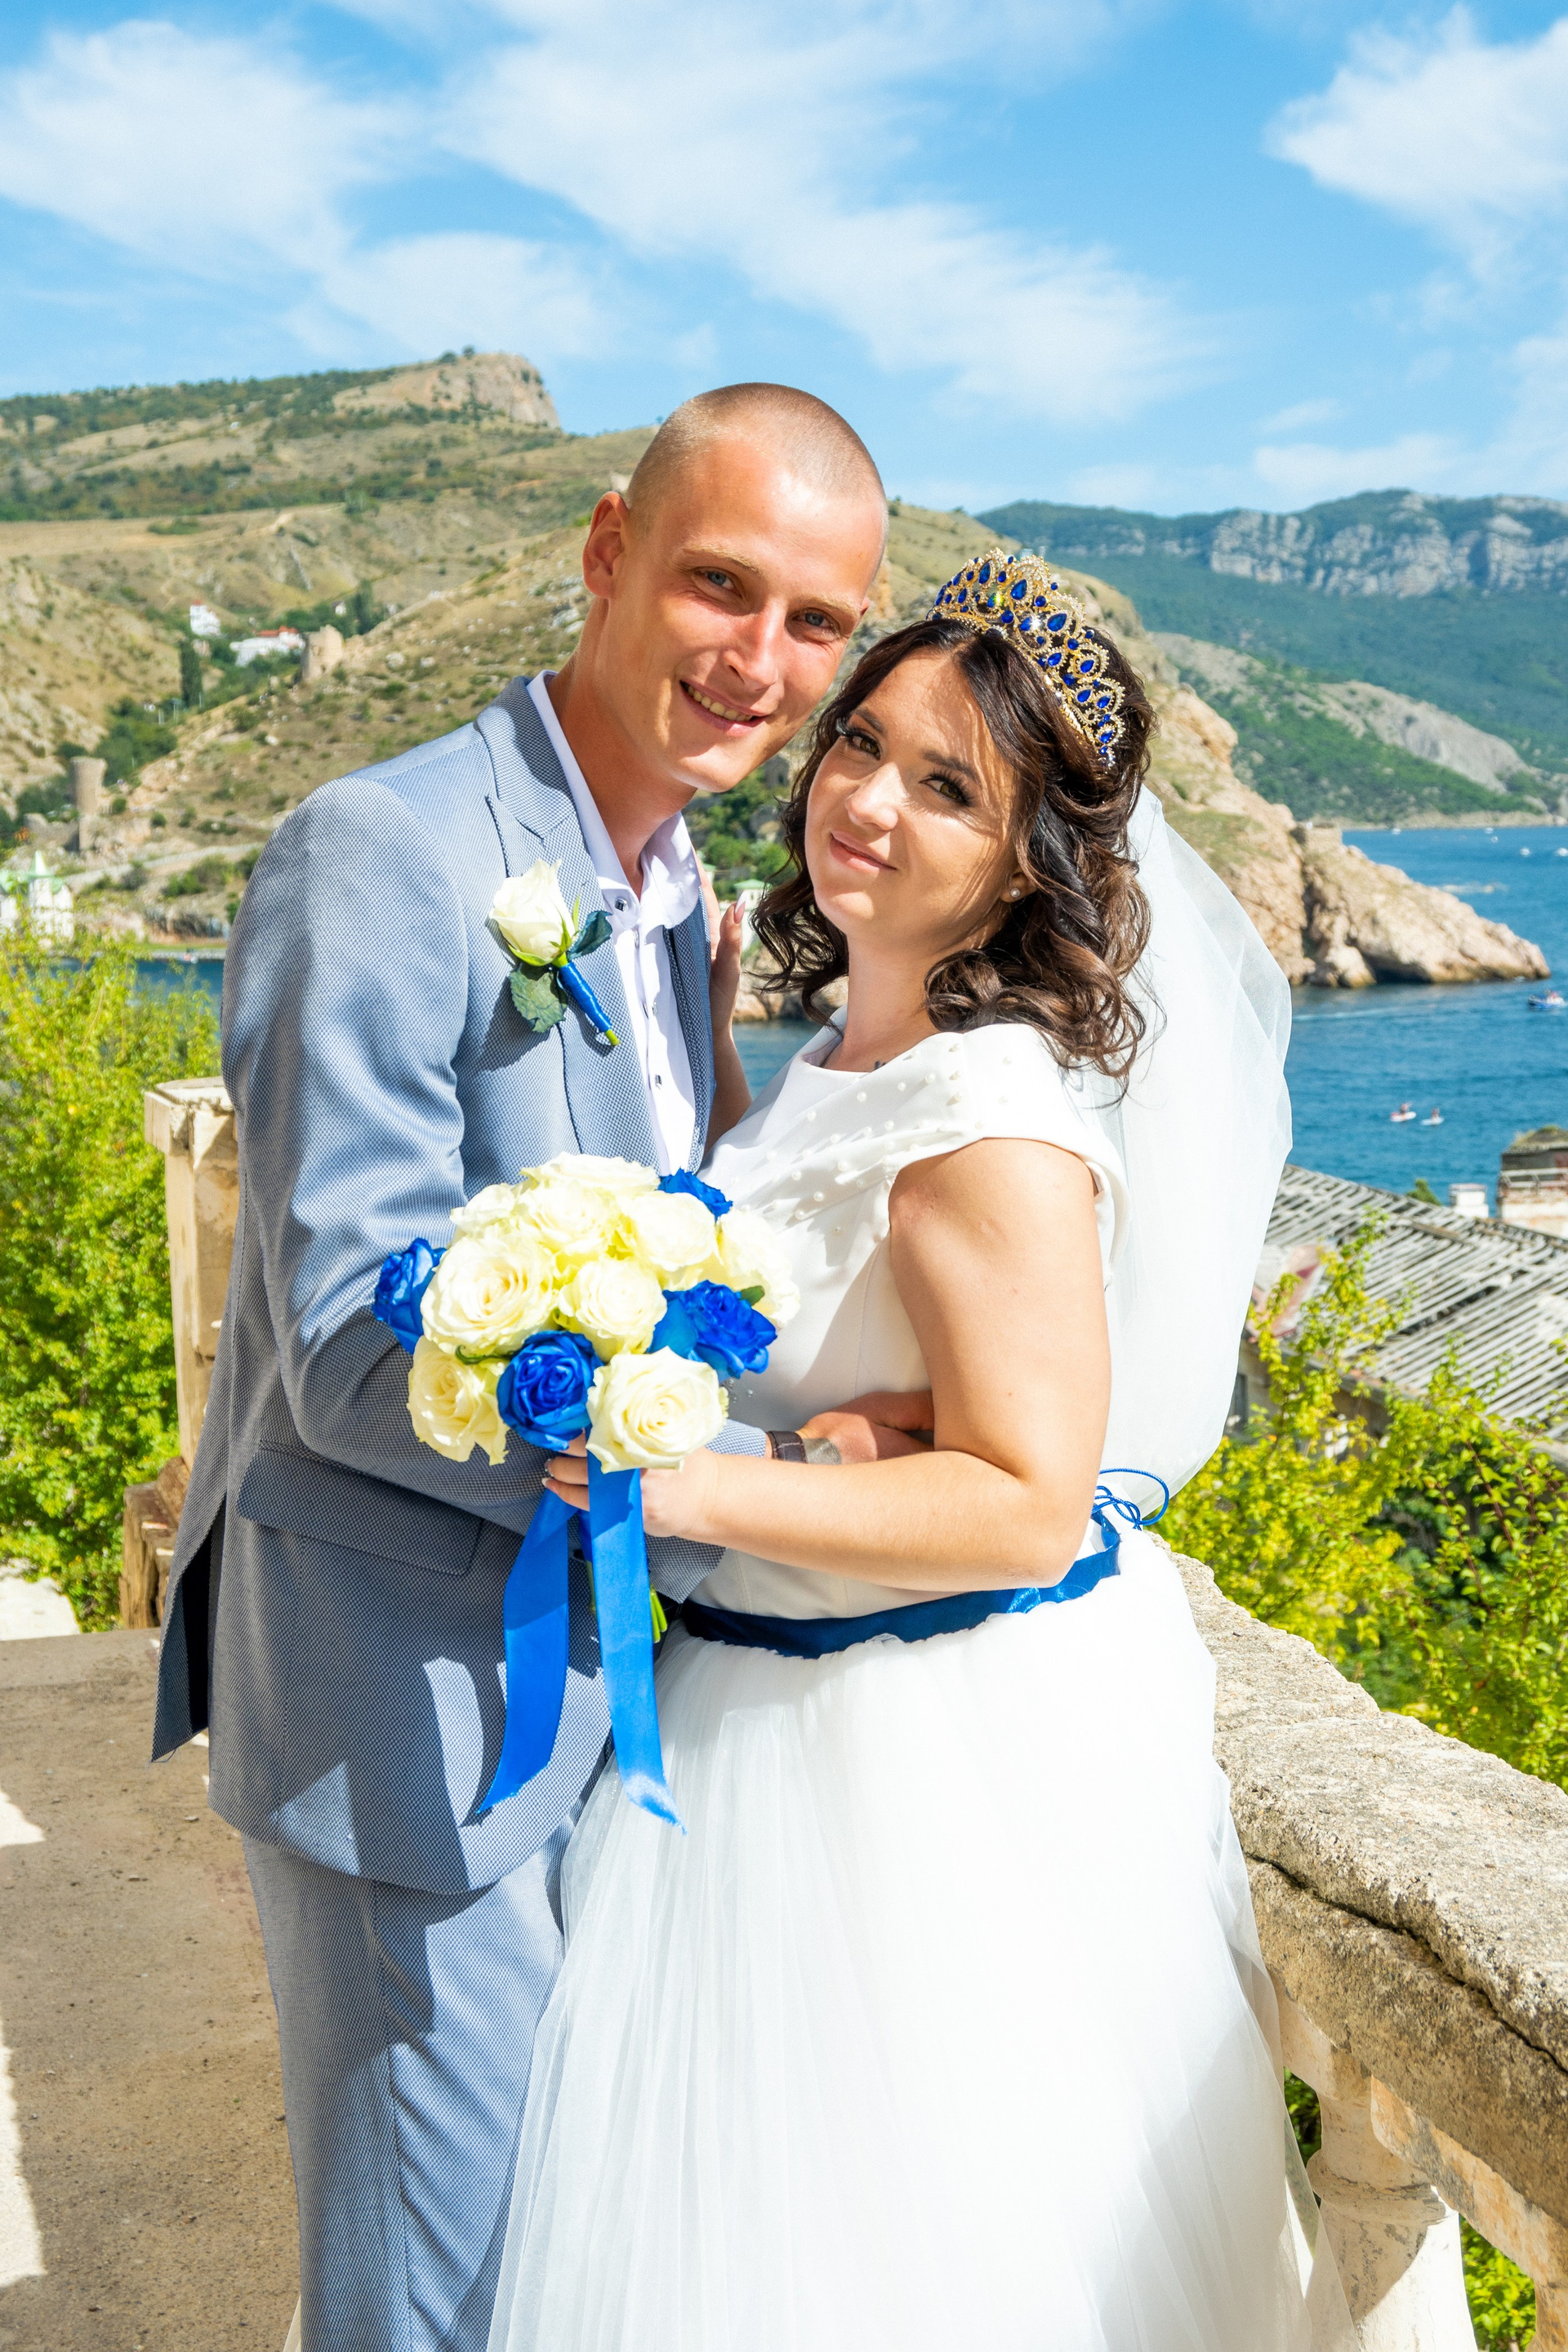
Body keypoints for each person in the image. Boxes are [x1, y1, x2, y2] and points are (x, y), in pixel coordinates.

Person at [487, 551, 1354, 2350]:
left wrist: (684, 1489)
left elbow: (1033, 1502)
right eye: (864, 743)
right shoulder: (848, 1060)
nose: (868, 799)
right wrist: (714, 1067)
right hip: (750, 1709)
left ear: (1029, 864)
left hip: (900, 1765)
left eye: (949, 787)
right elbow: (823, 1274)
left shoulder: (991, 1120)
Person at [149, 385, 933, 2352]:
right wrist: (737, 1493)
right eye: (721, 585)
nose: (761, 661)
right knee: (442, 2302)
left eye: (818, 621)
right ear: (605, 552)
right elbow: (345, 1349)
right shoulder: (388, 851)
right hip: (408, 1715)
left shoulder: (663, 903)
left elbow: (649, 1260)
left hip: (594, 1705)